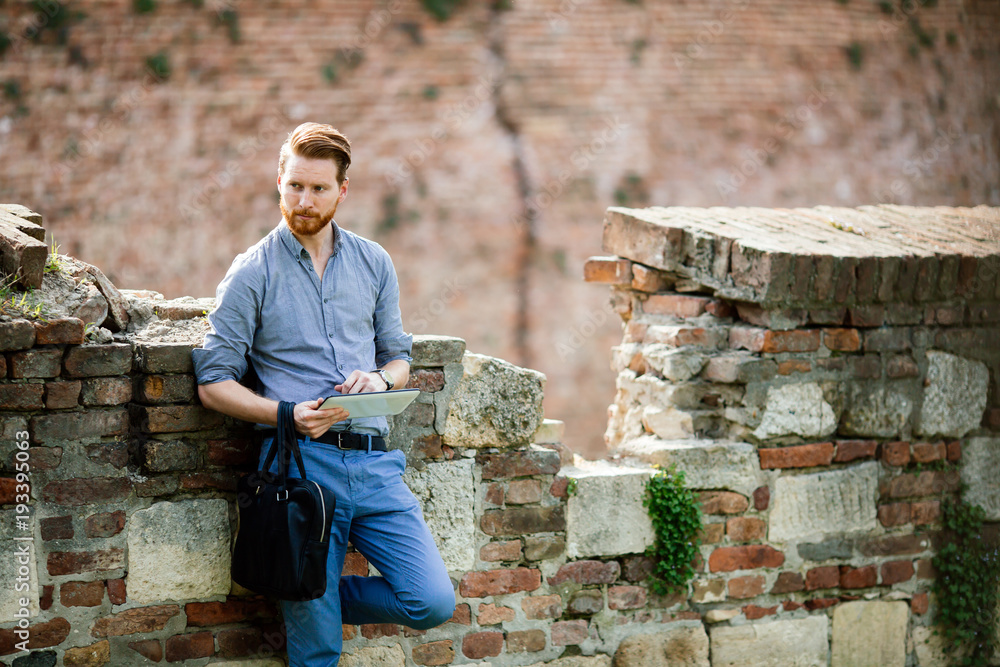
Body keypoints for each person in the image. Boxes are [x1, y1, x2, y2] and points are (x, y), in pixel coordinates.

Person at [192, 122, 456, 666]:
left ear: (343, 190)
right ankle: (306, 598)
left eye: (318, 188)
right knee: (318, 655)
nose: (304, 201)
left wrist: (381, 380)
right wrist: (285, 414)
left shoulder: (374, 261)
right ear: (279, 183)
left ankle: (309, 593)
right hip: (300, 467)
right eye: (295, 186)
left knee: (430, 600)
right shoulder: (252, 272)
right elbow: (213, 384)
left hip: (377, 465)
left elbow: (399, 357)